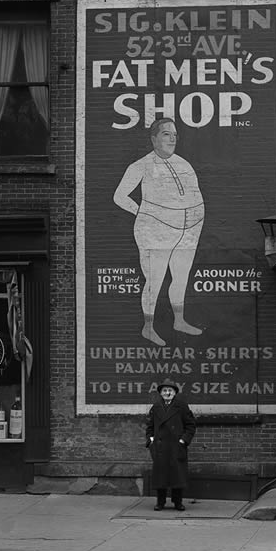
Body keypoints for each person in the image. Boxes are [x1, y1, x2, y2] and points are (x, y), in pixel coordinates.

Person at [113, 117, 205, 346]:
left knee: (181, 276)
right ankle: (148, 327)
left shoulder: (184, 163)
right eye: (166, 134)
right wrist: (143, 213)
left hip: (188, 231)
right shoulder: (141, 165)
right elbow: (119, 196)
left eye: (175, 134)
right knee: (155, 279)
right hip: (154, 231)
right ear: (154, 138)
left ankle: (179, 320)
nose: (172, 138)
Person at [145, 381, 197, 511]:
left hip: (176, 446)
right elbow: (149, 426)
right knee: (160, 476)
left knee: (177, 475)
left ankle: (178, 502)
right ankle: (160, 502)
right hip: (160, 447)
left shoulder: (182, 406)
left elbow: (190, 425)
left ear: (174, 393)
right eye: (164, 391)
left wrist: (183, 441)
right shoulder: (156, 407)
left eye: (170, 391)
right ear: (161, 393)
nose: (167, 393)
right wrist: (151, 440)